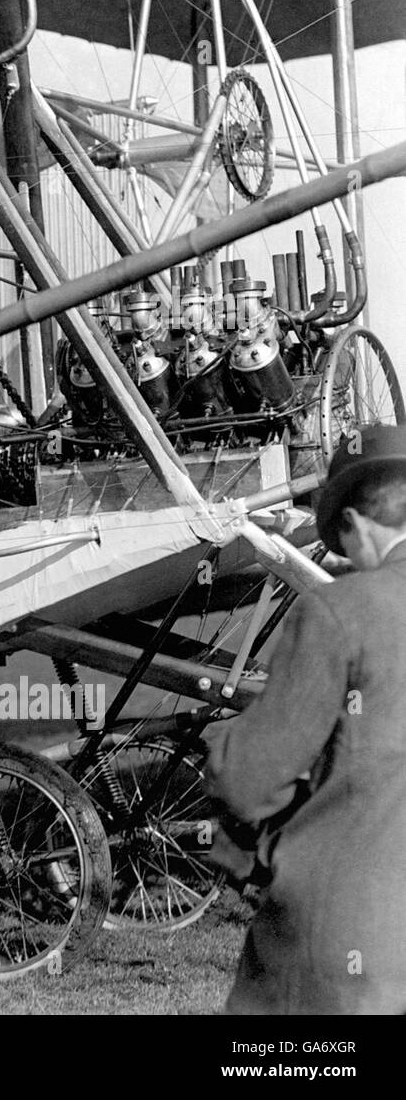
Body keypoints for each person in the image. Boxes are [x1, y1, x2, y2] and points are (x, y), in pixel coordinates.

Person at [203, 423, 406, 1014]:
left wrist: (225, 758)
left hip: (353, 936)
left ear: (354, 524)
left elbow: (250, 777)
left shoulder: (343, 610)